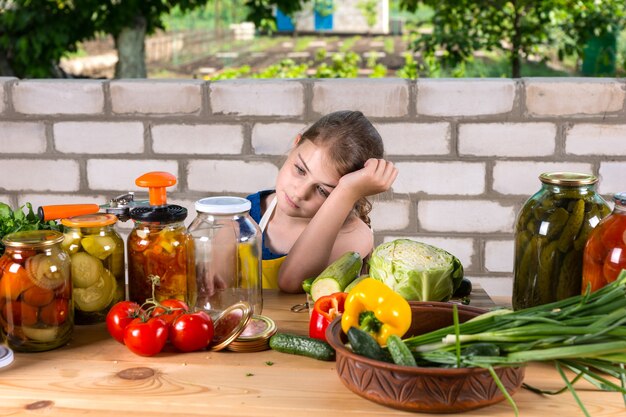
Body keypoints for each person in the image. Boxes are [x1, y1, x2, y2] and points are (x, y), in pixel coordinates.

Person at [246, 110, 398, 293]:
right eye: (300, 170)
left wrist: (347, 191)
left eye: (322, 191)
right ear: (295, 145)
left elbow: (291, 280)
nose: (300, 193)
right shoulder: (246, 213)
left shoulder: (354, 234)